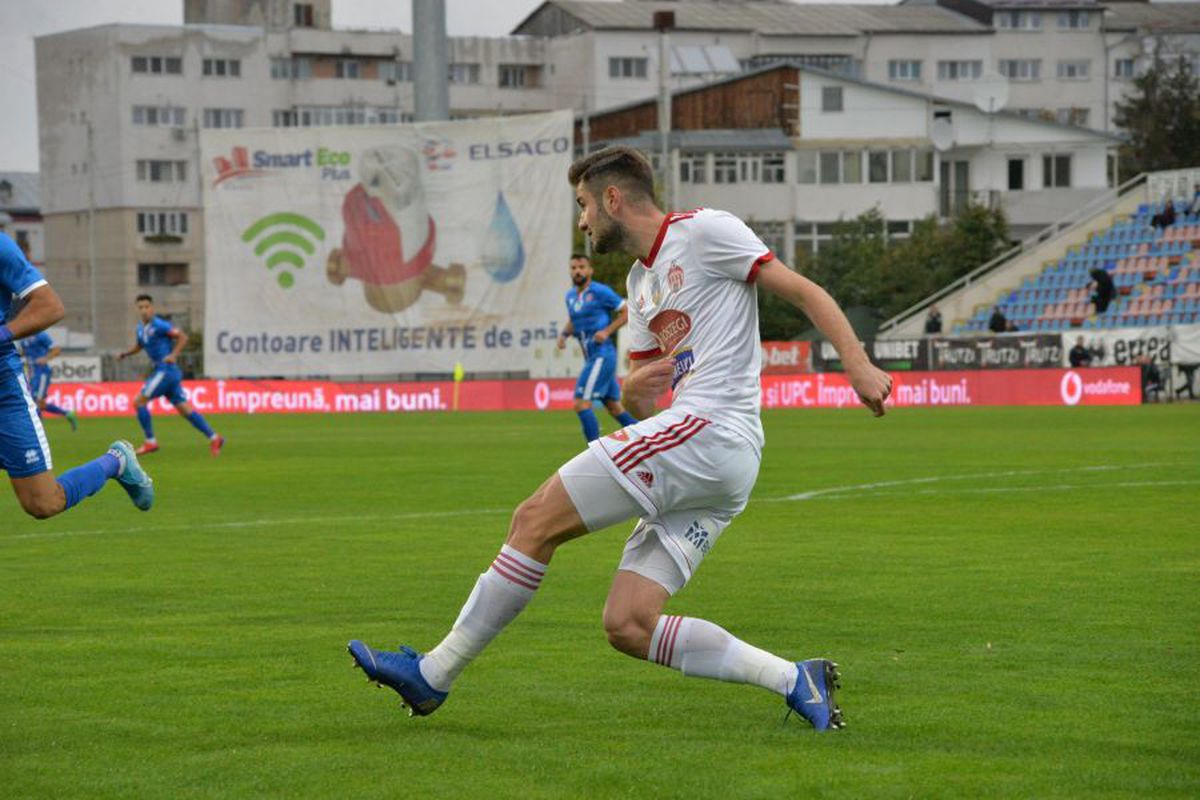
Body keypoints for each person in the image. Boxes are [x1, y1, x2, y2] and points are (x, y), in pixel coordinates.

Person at [348, 146, 893, 731]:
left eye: (584, 205)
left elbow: (806, 291)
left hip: (710, 430)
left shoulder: (705, 231)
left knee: (534, 519)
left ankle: (434, 673)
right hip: (717, 460)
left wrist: (857, 364)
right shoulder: (639, 282)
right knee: (629, 625)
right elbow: (639, 402)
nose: (582, 221)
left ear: (612, 198)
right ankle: (795, 679)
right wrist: (633, 388)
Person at [0, 232, 153, 518]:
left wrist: (4, 333)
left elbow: (50, 306)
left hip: (3, 391)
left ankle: (116, 462)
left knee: (43, 503)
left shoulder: (1, 247)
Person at [117, 294, 224, 456]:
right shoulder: (140, 328)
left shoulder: (160, 325)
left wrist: (173, 355)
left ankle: (150, 441)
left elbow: (183, 337)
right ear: (137, 309)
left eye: (147, 307)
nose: (144, 310)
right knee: (184, 409)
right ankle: (215, 438)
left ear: (152, 308)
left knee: (139, 402)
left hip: (165, 371)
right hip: (169, 373)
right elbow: (140, 346)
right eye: (141, 307)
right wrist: (125, 354)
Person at [555, 252, 639, 442]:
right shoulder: (570, 296)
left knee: (580, 403)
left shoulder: (600, 292)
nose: (577, 271)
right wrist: (564, 334)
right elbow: (574, 319)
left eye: (581, 267)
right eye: (574, 268)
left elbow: (627, 311)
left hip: (602, 355)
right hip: (592, 357)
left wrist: (607, 331)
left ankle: (594, 450)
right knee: (614, 407)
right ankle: (648, 439)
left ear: (590, 270)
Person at [19, 330, 78, 430]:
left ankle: (38, 429)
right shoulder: (23, 337)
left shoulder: (41, 335)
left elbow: (56, 349)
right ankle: (67, 413)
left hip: (42, 373)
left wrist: (46, 358)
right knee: (40, 403)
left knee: (35, 401)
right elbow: (23, 353)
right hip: (32, 374)